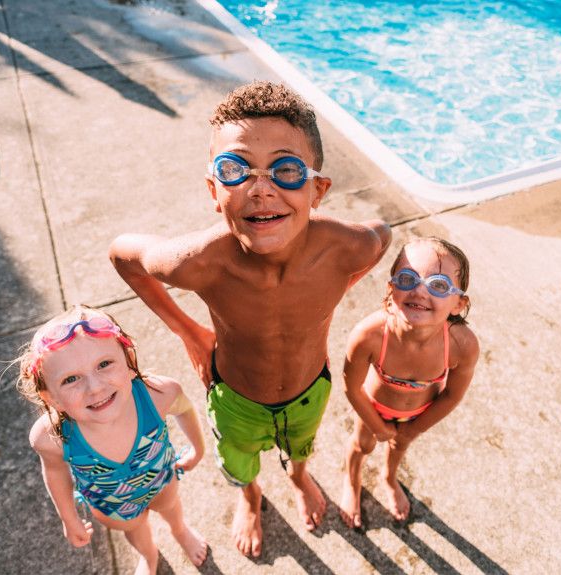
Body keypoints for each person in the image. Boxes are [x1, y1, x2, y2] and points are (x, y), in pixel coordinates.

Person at [109, 80, 391, 557]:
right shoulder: (197, 261)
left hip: (310, 390)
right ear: (213, 191)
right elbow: (123, 255)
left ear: (317, 188)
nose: (262, 190)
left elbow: (382, 236)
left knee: (301, 449)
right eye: (235, 169)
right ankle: (251, 498)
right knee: (239, 463)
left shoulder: (345, 246)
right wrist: (188, 332)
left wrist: (340, 285)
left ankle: (299, 478)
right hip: (235, 396)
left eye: (286, 169)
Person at [16, 305, 208, 574]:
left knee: (171, 506)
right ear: (52, 398)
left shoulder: (158, 394)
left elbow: (186, 410)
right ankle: (149, 555)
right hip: (111, 504)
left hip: (162, 478)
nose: (95, 388)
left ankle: (180, 530)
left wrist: (198, 449)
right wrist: (68, 518)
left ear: (129, 362)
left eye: (104, 364)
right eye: (71, 379)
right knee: (135, 530)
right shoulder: (50, 437)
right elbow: (55, 471)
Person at [339, 237, 479, 528]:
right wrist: (378, 427)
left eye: (438, 285)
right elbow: (351, 388)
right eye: (407, 278)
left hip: (418, 412)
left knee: (399, 448)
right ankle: (352, 482)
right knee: (361, 446)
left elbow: (452, 396)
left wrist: (411, 430)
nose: (419, 290)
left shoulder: (461, 345)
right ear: (391, 291)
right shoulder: (370, 335)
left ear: (458, 304)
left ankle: (389, 479)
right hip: (372, 406)